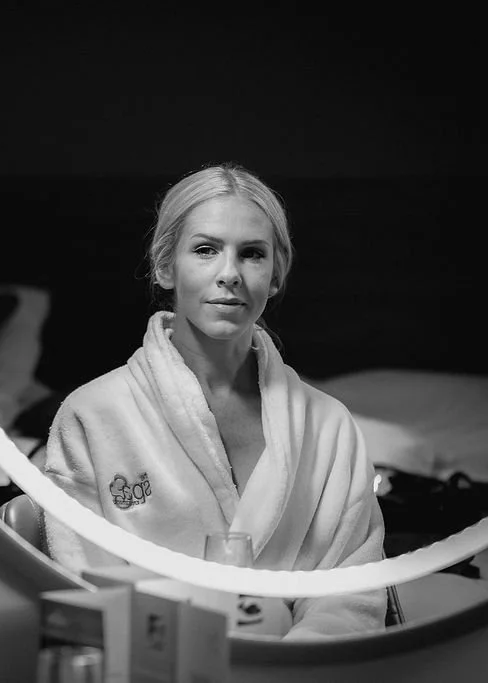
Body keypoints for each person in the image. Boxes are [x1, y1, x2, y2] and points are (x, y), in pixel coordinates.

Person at [41, 163, 387, 640]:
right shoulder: (94, 415)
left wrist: (285, 665)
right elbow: (83, 583)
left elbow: (351, 593)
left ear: (276, 274)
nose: (230, 274)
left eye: (252, 254)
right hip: (151, 665)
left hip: (298, 669)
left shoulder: (330, 427)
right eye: (205, 250)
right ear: (165, 267)